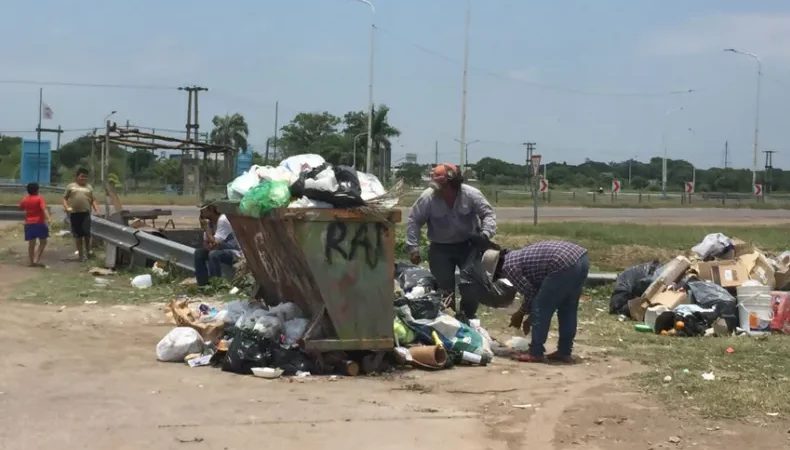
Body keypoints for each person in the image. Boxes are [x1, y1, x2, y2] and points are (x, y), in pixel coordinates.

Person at [405, 163, 497, 321]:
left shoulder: (471, 194)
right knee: (443, 288)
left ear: (454, 183)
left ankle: (468, 317)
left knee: (471, 285)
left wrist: (485, 234)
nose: (439, 190)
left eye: (442, 186)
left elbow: (488, 214)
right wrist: (413, 248)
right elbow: (414, 221)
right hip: (440, 248)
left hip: (469, 246)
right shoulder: (428, 197)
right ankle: (450, 319)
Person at [497, 240, 589, 363]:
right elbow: (538, 291)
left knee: (541, 307)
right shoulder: (517, 256)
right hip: (581, 258)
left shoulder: (508, 267)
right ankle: (564, 351)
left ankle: (535, 352)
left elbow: (531, 294)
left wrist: (521, 313)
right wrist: (530, 316)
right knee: (568, 308)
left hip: (562, 263)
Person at [194, 203, 242, 286]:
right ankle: (202, 283)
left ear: (211, 210)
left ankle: (216, 284)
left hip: (235, 253)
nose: (201, 214)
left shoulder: (223, 220)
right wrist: (211, 246)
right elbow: (206, 243)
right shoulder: (210, 223)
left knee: (213, 254)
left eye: (203, 211)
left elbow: (214, 242)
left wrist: (206, 228)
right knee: (199, 253)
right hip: (220, 250)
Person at [62, 168, 99, 261]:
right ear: (77, 176)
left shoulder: (89, 187)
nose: (84, 179)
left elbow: (93, 200)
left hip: (85, 213)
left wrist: (97, 210)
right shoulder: (71, 186)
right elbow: (64, 198)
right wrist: (66, 207)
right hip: (74, 213)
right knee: (78, 235)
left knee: (87, 234)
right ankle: (81, 255)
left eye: (85, 177)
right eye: (82, 176)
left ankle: (88, 251)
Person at [19, 183, 52, 267]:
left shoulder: (25, 199)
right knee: (43, 242)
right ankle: (36, 259)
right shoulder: (39, 199)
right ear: (37, 190)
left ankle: (31, 262)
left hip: (29, 224)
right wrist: (49, 218)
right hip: (39, 223)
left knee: (31, 243)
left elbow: (21, 208)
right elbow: (44, 208)